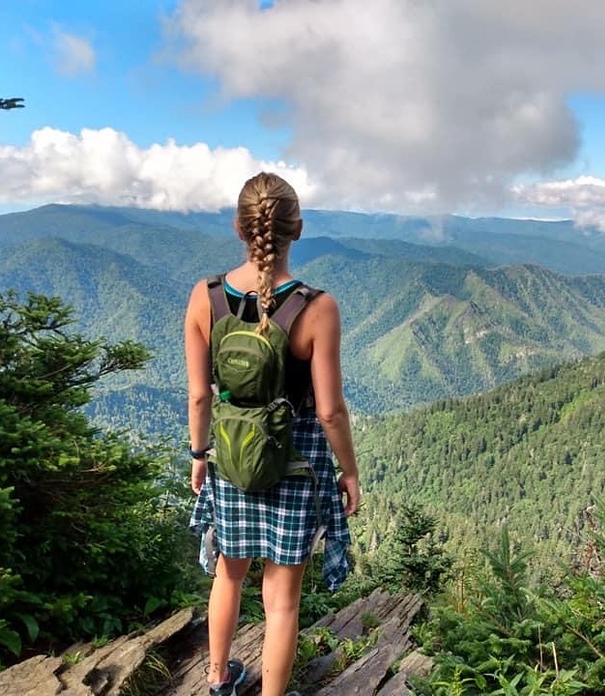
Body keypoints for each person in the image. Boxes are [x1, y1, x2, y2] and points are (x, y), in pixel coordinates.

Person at [185, 172, 361, 696]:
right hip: (296, 463)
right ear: (298, 229)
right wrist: (348, 471)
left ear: (240, 227)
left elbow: (199, 396)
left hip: (231, 460)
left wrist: (200, 455)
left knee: (229, 574)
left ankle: (218, 680)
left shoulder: (206, 297)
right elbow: (330, 412)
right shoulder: (316, 308)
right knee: (282, 600)